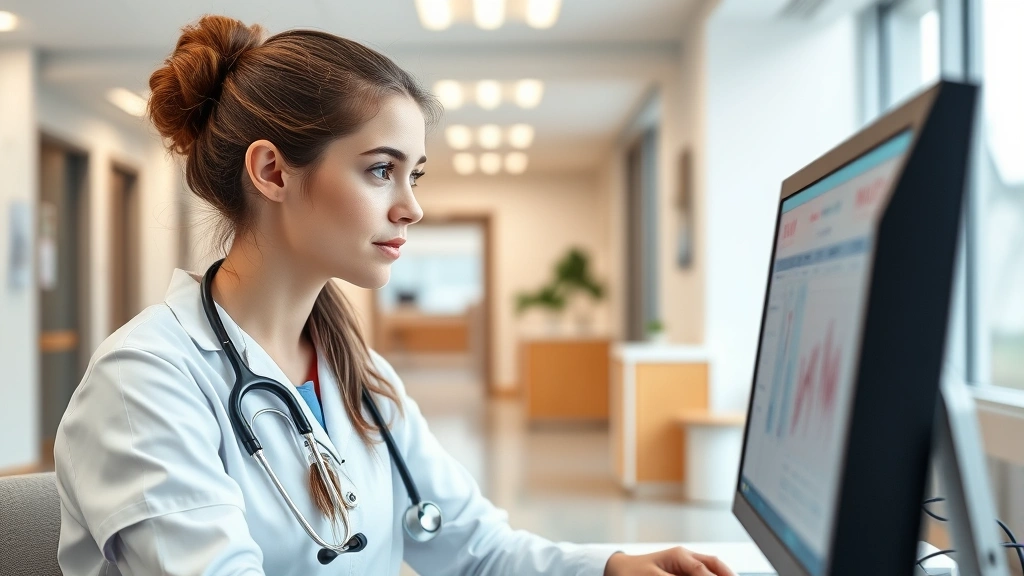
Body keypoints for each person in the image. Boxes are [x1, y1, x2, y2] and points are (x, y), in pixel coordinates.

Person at [53, 15, 736, 576]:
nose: (411, 207)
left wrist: (610, 567)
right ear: (273, 172)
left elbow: (475, 548)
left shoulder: (358, 374)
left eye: (416, 176)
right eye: (381, 170)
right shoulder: (146, 381)